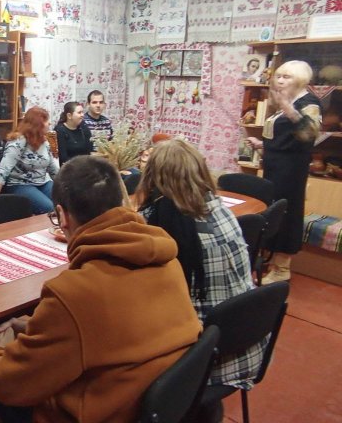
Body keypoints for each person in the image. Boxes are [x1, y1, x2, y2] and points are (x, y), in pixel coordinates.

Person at [0, 155, 201, 422]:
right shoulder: (167, 260)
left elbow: (10, 385)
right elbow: (107, 332)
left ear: (62, 216)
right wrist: (34, 327)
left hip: (94, 412)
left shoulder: (74, 293)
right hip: (145, 403)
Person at [136, 139, 265, 421]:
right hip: (242, 347)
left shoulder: (160, 226)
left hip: (195, 367)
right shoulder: (221, 210)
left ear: (153, 179)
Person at [246, 60, 321, 284]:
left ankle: (281, 268)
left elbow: (309, 135)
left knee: (286, 215)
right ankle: (270, 260)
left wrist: (288, 109)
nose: (279, 80)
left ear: (300, 80)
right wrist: (262, 144)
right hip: (275, 168)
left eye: (286, 77)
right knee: (274, 212)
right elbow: (286, 139)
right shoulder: (288, 101)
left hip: (291, 172)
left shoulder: (308, 102)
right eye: (278, 76)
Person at [0, 106, 59, 214]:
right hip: (20, 184)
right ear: (37, 124)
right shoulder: (18, 141)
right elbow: (3, 170)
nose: (49, 123)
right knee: (49, 208)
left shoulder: (44, 142)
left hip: (43, 182)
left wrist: (67, 187)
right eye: (46, 121)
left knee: (64, 203)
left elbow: (53, 169)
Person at [54, 101, 93, 165]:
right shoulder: (60, 130)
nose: (82, 115)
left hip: (85, 165)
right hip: (68, 167)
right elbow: (63, 158)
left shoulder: (84, 128)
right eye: (79, 113)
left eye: (82, 112)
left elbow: (90, 151)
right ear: (69, 116)